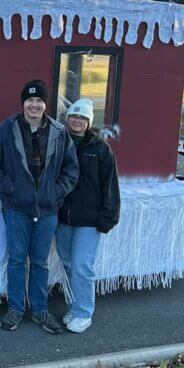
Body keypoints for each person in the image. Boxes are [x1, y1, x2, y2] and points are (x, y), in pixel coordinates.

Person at [0, 79, 79, 334]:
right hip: (16, 208)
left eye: (39, 100)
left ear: (45, 104)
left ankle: (39, 310)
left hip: (47, 210)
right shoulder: (7, 130)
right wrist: (11, 188)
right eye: (30, 100)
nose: (34, 105)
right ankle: (15, 308)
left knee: (40, 261)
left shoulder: (59, 133)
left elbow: (71, 169)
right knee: (16, 259)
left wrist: (56, 192)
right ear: (23, 103)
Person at [55, 99, 121, 334]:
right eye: (74, 116)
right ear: (68, 118)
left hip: (89, 219)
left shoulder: (100, 148)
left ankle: (84, 312)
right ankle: (73, 306)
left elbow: (110, 185)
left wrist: (108, 217)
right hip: (63, 218)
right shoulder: (59, 142)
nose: (77, 120)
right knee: (67, 264)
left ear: (88, 122)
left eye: (82, 118)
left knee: (82, 265)